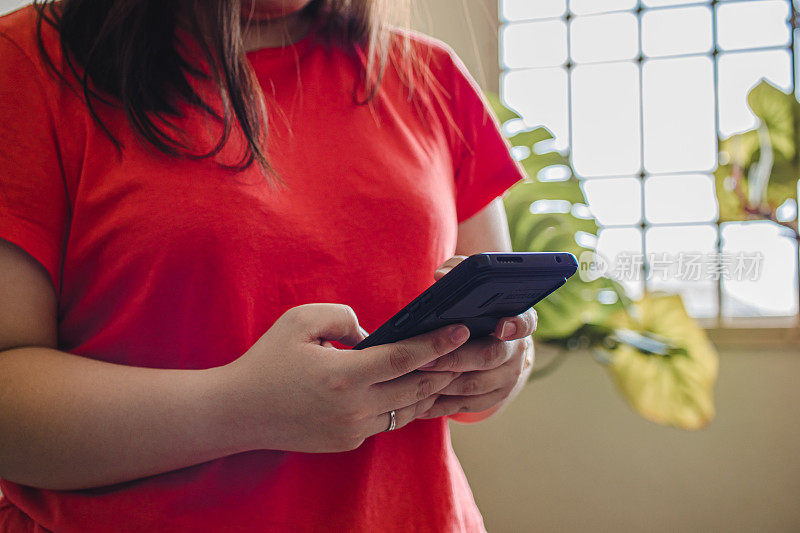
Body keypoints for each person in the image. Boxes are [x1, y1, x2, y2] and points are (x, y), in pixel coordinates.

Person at [0, 0, 537, 530]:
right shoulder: (28, 61)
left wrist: (499, 366)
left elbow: (493, 355)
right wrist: (238, 409)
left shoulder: (430, 73)